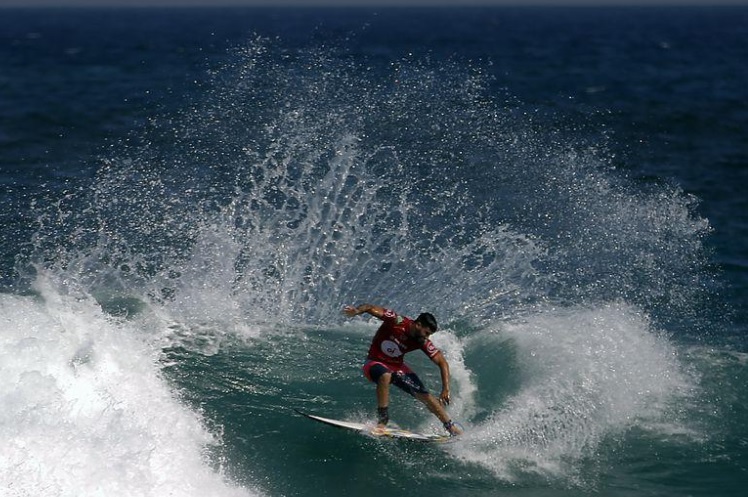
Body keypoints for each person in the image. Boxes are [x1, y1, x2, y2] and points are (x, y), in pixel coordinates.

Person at [342, 303, 462, 436]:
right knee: (385, 375)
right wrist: (357, 311)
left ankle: (450, 427)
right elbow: (370, 308)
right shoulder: (397, 321)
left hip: (397, 367)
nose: (427, 338)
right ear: (418, 324)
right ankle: (383, 419)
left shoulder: (421, 341)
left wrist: (446, 388)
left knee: (426, 396)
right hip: (374, 362)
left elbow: (442, 362)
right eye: (426, 333)